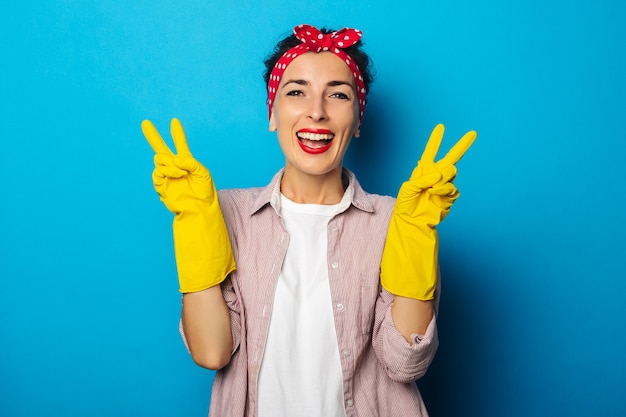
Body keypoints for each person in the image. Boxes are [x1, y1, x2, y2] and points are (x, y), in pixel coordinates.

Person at [142, 24, 476, 417]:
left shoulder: (400, 220)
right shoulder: (222, 213)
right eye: (296, 91)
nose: (316, 111)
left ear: (358, 120)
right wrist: (196, 223)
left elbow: (405, 363)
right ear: (273, 113)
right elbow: (212, 352)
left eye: (337, 94)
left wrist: (416, 236)